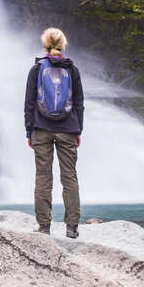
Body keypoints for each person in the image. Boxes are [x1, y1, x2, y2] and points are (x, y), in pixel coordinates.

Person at [25, 27, 84, 238]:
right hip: (68, 129)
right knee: (69, 177)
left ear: (45, 45)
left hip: (41, 129)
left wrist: (28, 131)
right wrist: (78, 129)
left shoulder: (37, 69)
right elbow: (79, 103)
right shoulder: (72, 69)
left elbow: (29, 103)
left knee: (43, 177)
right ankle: (72, 228)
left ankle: (44, 227)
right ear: (63, 44)